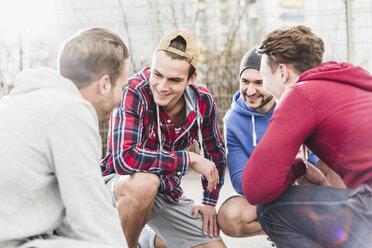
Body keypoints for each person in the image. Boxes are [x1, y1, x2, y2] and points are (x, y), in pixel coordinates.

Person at [242, 25, 372, 247]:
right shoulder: (353, 84)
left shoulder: (300, 93)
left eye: (263, 78)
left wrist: (299, 167)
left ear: (281, 72)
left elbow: (255, 188)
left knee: (271, 211)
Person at [0, 28, 129, 248]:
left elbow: (72, 217)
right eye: (123, 87)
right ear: (105, 84)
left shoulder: (22, 102)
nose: (121, 99)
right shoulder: (70, 111)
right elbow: (94, 221)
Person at [100, 29, 227, 248]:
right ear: (151, 66)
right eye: (157, 74)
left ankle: (148, 241)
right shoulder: (133, 91)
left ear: (191, 78)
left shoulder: (203, 102)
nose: (162, 86)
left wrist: (209, 201)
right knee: (145, 184)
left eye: (174, 80)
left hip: (165, 192)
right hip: (121, 185)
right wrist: (189, 159)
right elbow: (124, 158)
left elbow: (214, 152)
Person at [217, 45, 320, 239]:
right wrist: (285, 165)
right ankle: (286, 227)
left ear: (272, 81)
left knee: (330, 172)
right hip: (267, 196)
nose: (251, 90)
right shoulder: (233, 121)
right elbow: (241, 184)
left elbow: (316, 165)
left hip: (304, 189)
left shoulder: (295, 105)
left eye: (259, 82)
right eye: (245, 81)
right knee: (228, 216)